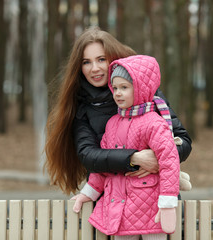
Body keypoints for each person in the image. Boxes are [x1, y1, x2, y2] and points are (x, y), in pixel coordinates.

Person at [44, 26, 191, 197]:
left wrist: (158, 158)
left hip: (153, 199)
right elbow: (89, 155)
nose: (94, 68)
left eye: (101, 59)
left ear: (113, 58)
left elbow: (183, 141)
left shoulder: (145, 93)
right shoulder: (81, 105)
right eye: (86, 62)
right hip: (108, 202)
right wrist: (133, 159)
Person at [76, 55, 179, 239]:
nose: (117, 93)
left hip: (151, 208)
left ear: (140, 88)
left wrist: (167, 203)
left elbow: (169, 162)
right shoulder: (112, 124)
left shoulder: (154, 123)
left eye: (124, 87)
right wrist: (89, 192)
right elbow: (104, 167)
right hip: (119, 210)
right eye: (114, 88)